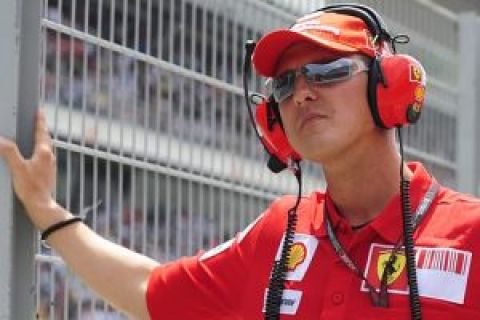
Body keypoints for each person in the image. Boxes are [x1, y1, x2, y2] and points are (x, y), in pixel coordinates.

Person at [1, 3, 479, 320]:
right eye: (285, 85)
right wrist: (45, 209)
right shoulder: (278, 233)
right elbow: (150, 289)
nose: (303, 93)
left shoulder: (472, 234)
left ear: (389, 86)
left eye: (328, 70)